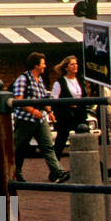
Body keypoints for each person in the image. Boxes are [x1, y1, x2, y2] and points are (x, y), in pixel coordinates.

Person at [10, 52, 69, 183]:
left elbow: (42, 98)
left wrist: (49, 111)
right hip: (25, 120)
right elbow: (18, 99)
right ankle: (15, 173)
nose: (45, 66)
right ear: (36, 65)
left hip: (40, 119)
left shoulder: (40, 80)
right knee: (19, 147)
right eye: (43, 63)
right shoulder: (23, 79)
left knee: (47, 146)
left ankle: (57, 172)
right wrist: (32, 111)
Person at [50, 55, 88, 160]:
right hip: (66, 116)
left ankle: (98, 167)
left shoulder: (80, 80)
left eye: (76, 64)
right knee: (60, 142)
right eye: (72, 64)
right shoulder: (60, 82)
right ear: (66, 67)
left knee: (86, 139)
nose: (75, 66)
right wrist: (67, 104)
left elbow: (84, 95)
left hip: (80, 114)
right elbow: (54, 99)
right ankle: (55, 171)